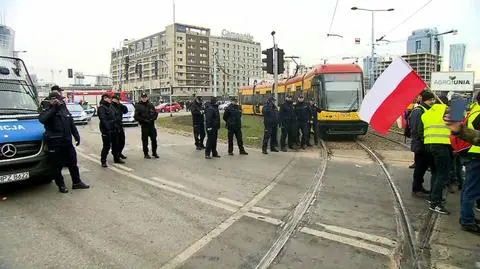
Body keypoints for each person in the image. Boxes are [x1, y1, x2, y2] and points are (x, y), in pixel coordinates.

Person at [39, 92, 89, 193]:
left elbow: (71, 124)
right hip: (55, 143)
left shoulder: (64, 108)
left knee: (73, 163)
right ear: (53, 99)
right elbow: (42, 119)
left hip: (67, 142)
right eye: (59, 99)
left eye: (61, 99)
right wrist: (54, 108)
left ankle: (76, 182)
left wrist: (76, 135)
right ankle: (61, 185)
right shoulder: (46, 109)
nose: (62, 101)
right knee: (57, 166)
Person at [445, 96, 480, 234]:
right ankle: (467, 219)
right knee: (470, 190)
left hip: (463, 149)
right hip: (473, 153)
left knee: (467, 187)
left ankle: (467, 218)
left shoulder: (471, 110)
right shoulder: (472, 112)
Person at [422, 92, 451, 215]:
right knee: (442, 175)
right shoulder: (448, 111)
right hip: (442, 146)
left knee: (435, 173)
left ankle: (432, 197)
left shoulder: (426, 114)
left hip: (428, 146)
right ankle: (435, 203)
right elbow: (459, 126)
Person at [409, 91, 434, 196]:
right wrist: (421, 139)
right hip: (421, 143)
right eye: (431, 100)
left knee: (423, 166)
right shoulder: (418, 110)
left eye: (433, 99)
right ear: (425, 100)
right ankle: (417, 187)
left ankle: (419, 186)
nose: (433, 102)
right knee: (420, 166)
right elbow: (415, 128)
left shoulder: (428, 110)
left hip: (426, 143)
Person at [98, 93, 123, 167]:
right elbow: (103, 119)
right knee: (106, 146)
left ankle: (116, 158)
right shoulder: (102, 108)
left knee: (116, 145)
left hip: (114, 129)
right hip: (106, 130)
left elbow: (115, 116)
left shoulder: (110, 106)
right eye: (109, 98)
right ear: (105, 98)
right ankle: (103, 161)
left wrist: (116, 125)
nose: (110, 100)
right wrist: (108, 127)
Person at [134, 93, 159, 159]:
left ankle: (154, 152)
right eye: (143, 97)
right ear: (141, 98)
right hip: (144, 125)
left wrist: (152, 118)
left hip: (151, 125)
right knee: (145, 141)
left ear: (147, 98)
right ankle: (146, 153)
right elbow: (136, 116)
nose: (144, 98)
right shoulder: (138, 106)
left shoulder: (150, 105)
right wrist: (143, 120)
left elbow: (155, 113)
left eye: (145, 97)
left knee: (154, 139)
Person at [111, 93, 128, 159]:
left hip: (120, 126)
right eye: (117, 99)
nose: (118, 101)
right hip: (114, 126)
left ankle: (119, 152)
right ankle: (116, 155)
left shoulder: (119, 105)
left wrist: (121, 105)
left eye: (119, 100)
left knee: (122, 141)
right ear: (113, 99)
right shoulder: (111, 106)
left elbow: (125, 111)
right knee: (115, 143)